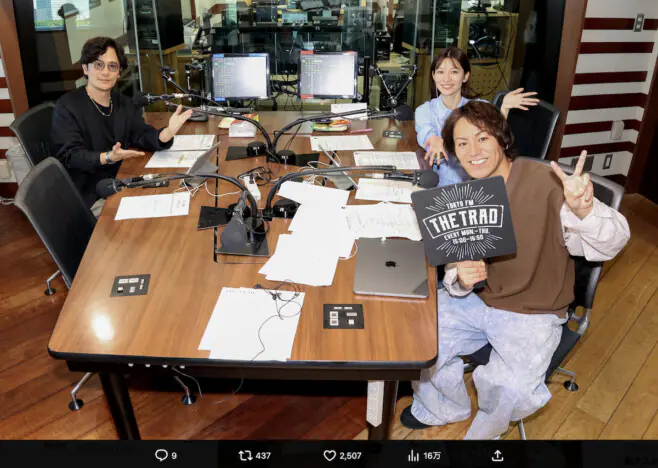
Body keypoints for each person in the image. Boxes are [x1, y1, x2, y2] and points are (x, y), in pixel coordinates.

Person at [402, 101, 630, 439]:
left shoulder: (548, 185)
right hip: (479, 301)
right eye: (462, 143)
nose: (473, 151)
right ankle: (444, 407)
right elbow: (454, 270)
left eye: (482, 138)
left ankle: (484, 436)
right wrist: (461, 280)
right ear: (454, 153)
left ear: (501, 137)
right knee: (417, 336)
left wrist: (585, 211)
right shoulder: (464, 194)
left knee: (510, 387)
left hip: (534, 311)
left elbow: (612, 242)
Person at [52, 37, 193, 215]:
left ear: (119, 72)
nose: (105, 72)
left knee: (177, 196)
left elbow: (140, 134)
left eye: (112, 66)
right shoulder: (68, 106)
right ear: (85, 68)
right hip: (91, 194)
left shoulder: (123, 103)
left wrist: (166, 134)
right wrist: (108, 157)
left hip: (123, 180)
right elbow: (70, 156)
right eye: (98, 65)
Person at [415, 47, 539, 186]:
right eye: (440, 72)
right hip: (440, 185)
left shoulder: (480, 107)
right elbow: (426, 133)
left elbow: (496, 140)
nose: (446, 78)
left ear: (465, 76)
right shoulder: (424, 111)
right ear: (433, 76)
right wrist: (433, 140)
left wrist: (504, 109)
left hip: (479, 182)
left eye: (454, 72)